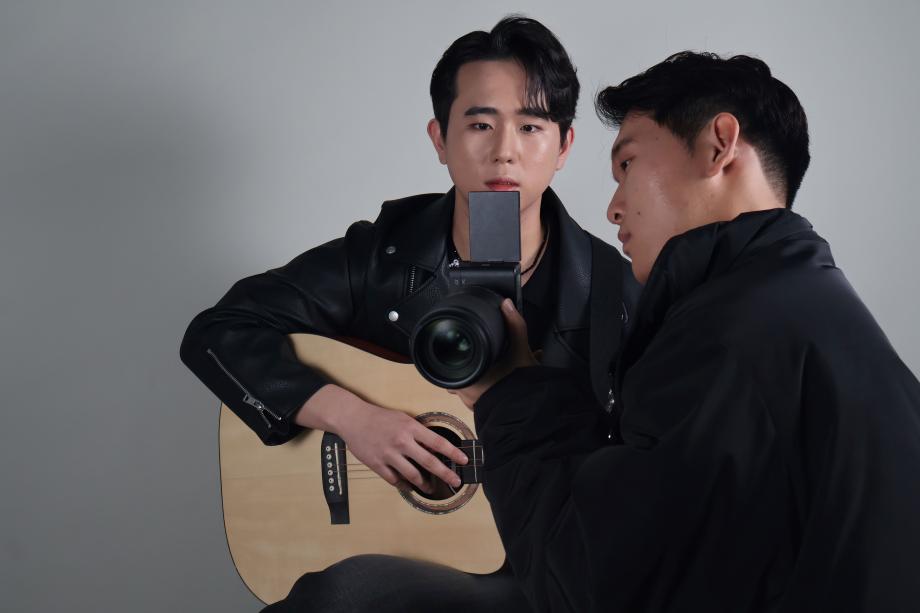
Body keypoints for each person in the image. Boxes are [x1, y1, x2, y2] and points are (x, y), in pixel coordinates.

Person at [180, 16, 637, 612]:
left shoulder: (616, 291)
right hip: (404, 554)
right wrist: (353, 418)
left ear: (564, 147)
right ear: (439, 139)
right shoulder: (384, 256)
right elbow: (217, 333)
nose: (505, 150)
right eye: (480, 124)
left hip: (547, 568)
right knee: (339, 595)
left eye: (531, 126)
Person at [458, 51, 920, 612]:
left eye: (628, 165)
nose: (613, 208)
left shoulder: (732, 334)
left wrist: (509, 392)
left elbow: (589, 589)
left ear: (719, 145)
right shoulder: (805, 306)